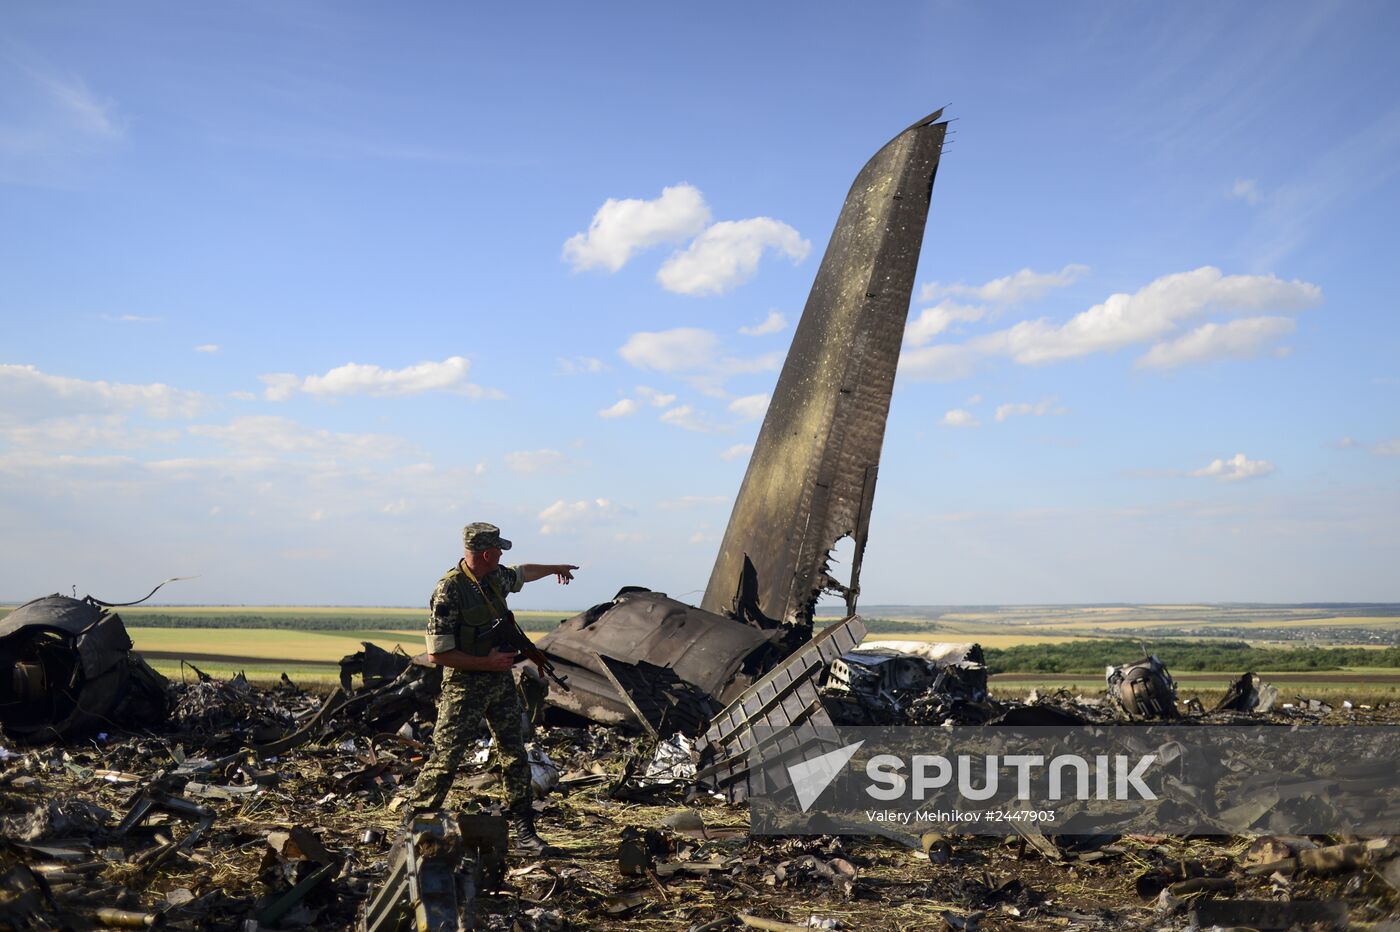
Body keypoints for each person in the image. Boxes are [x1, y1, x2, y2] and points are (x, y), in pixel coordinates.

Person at [408, 521, 578, 853]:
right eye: (498, 549)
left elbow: (521, 573)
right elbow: (437, 653)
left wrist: (555, 568)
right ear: (486, 553)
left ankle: (525, 832)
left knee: (515, 755)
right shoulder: (449, 590)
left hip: (499, 682)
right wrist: (485, 663)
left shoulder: (495, 577)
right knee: (446, 759)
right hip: (464, 686)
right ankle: (416, 827)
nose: (502, 554)